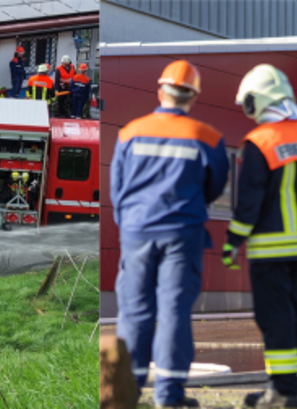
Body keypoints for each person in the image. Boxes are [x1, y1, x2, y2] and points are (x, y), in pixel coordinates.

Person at [110, 60, 227, 409]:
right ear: (193, 96)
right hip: (182, 232)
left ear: (161, 91)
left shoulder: (130, 132)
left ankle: (127, 393)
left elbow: (118, 187)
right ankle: (169, 396)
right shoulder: (207, 137)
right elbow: (216, 186)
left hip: (137, 231)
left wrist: (129, 224)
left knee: (135, 310)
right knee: (174, 309)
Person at [221, 64, 297, 409]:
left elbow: (249, 202)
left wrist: (232, 241)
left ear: (258, 100)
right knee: (293, 316)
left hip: (270, 249)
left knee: (273, 318)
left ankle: (282, 392)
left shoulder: (260, 142)